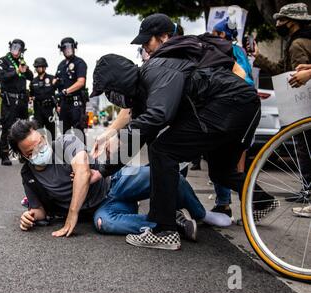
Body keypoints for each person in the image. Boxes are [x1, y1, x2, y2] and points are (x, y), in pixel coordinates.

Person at [91, 14, 272, 251]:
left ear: (118, 83)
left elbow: (159, 115)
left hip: (229, 105)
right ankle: (263, 200)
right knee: (221, 173)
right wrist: (104, 171)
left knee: (162, 151)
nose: (110, 99)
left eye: (108, 93)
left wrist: (119, 136)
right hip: (242, 107)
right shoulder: (146, 89)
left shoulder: (154, 69)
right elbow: (140, 136)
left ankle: (164, 230)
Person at [9, 120, 231, 239]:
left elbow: (83, 171)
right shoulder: (28, 175)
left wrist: (72, 215)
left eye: (40, 142)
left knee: (162, 175)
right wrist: (29, 216)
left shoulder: (65, 142)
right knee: (104, 224)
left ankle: (202, 214)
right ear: (23, 156)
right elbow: (40, 210)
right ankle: (170, 221)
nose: (40, 149)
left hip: (115, 182)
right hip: (104, 208)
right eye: (32, 150)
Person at [249, 3, 311, 200]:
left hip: (303, 107)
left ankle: (308, 190)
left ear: (292, 23)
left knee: (304, 148)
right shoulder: (303, 40)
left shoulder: (297, 44)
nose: (277, 23)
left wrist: (259, 58)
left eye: (281, 20)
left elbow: (291, 76)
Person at [210, 16, 257, 219]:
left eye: (215, 34)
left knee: (229, 163)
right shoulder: (238, 51)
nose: (212, 37)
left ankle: (251, 203)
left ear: (222, 35)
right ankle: (227, 204)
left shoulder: (230, 52)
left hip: (235, 111)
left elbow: (243, 79)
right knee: (227, 162)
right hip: (238, 110)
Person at [0, 39, 34, 166]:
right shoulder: (3, 61)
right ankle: (5, 155)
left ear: (22, 51)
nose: (16, 50)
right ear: (10, 47)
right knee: (7, 127)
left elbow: (30, 76)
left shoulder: (21, 62)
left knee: (24, 128)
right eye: (14, 47)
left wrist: (25, 69)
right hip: (9, 100)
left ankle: (23, 154)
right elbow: (4, 76)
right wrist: (17, 71)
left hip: (22, 100)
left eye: (19, 49)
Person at [55, 37, 88, 138]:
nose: (68, 50)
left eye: (70, 47)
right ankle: (67, 153)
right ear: (62, 50)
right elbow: (57, 84)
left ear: (74, 48)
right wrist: (58, 104)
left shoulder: (80, 63)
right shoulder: (61, 65)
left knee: (78, 131)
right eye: (65, 48)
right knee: (64, 132)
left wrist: (66, 91)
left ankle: (81, 153)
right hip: (64, 103)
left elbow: (81, 82)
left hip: (76, 103)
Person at [29, 57, 57, 141]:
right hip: (38, 110)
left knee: (52, 133)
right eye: (36, 67)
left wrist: (58, 105)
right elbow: (31, 95)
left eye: (40, 66)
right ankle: (41, 152)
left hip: (49, 109)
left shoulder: (52, 79)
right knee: (39, 133)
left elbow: (58, 92)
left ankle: (53, 151)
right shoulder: (33, 81)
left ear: (44, 67)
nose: (38, 68)